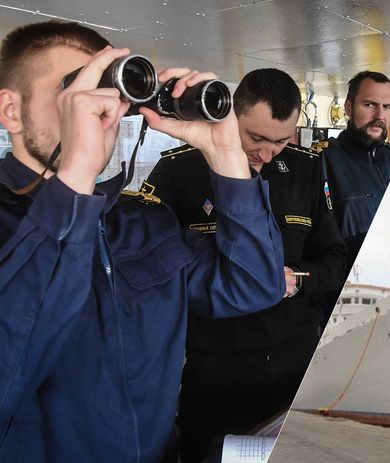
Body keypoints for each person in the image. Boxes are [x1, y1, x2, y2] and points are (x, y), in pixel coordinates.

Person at [0, 21, 284, 463]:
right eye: (75, 91)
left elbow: (254, 284)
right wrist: (74, 178)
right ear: (11, 111)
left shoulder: (144, 223)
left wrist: (226, 155)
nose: (97, 110)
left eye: (105, 92)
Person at [143, 69, 347, 462]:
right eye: (256, 139)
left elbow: (335, 259)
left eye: (281, 142)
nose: (267, 154)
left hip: (295, 366)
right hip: (217, 370)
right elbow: (155, 273)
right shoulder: (177, 170)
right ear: (233, 115)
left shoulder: (306, 169)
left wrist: (298, 281)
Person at [321, 71, 390, 275]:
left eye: (387, 107)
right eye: (369, 105)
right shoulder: (323, 161)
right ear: (348, 107)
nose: (379, 116)